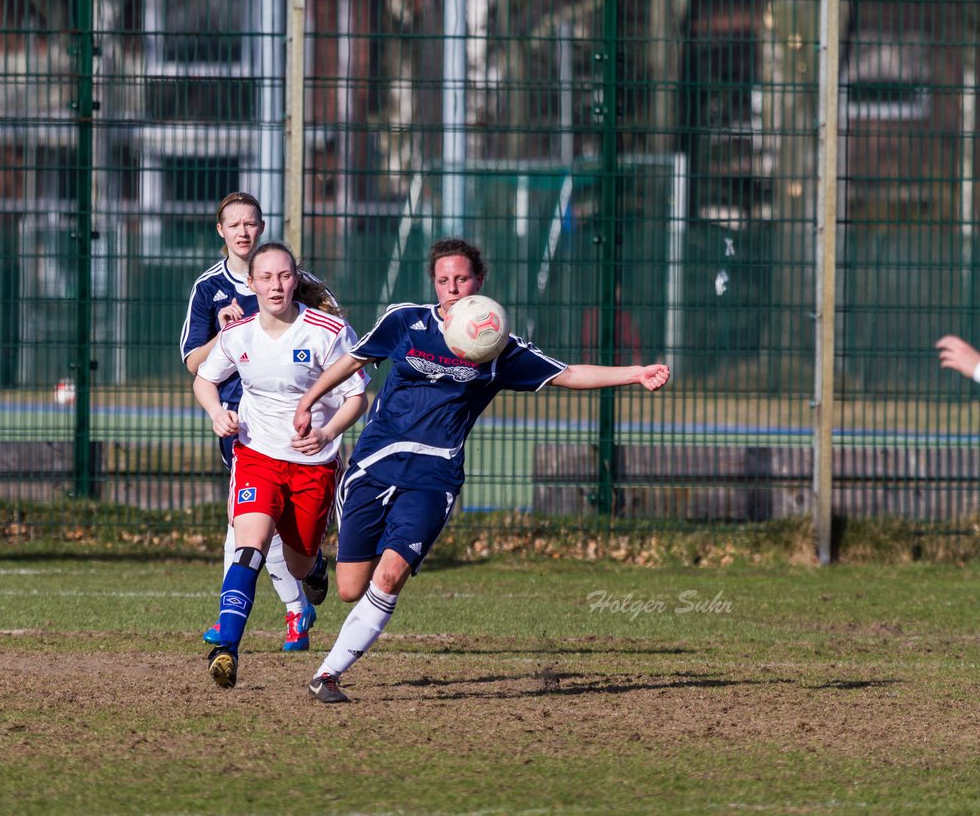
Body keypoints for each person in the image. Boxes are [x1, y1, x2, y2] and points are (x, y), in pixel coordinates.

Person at [292, 237, 671, 703]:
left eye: (462, 279)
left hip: (434, 477)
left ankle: (326, 676)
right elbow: (352, 361)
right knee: (350, 589)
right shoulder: (405, 321)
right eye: (444, 280)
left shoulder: (496, 346)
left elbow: (568, 373)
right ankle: (314, 566)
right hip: (374, 465)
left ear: (479, 280)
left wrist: (633, 373)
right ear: (434, 282)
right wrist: (309, 401)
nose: (453, 288)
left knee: (389, 577)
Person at [193, 242, 369, 688]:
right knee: (248, 547)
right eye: (266, 277)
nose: (276, 285)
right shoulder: (238, 335)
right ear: (251, 284)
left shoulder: (327, 332)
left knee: (297, 561)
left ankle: (313, 570)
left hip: (313, 465)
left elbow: (356, 398)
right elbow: (204, 379)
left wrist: (326, 434)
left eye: (285, 276)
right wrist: (217, 413)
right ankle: (227, 648)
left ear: (296, 279)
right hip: (256, 455)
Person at [180, 192, 332, 652]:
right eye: (234, 224)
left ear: (262, 227)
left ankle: (292, 605)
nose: (243, 231)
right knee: (248, 525)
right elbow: (194, 362)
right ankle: (277, 615)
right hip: (242, 425)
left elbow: (334, 340)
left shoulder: (294, 282)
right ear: (220, 231)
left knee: (265, 527)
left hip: (298, 428)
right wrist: (227, 332)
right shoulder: (209, 288)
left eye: (251, 223)